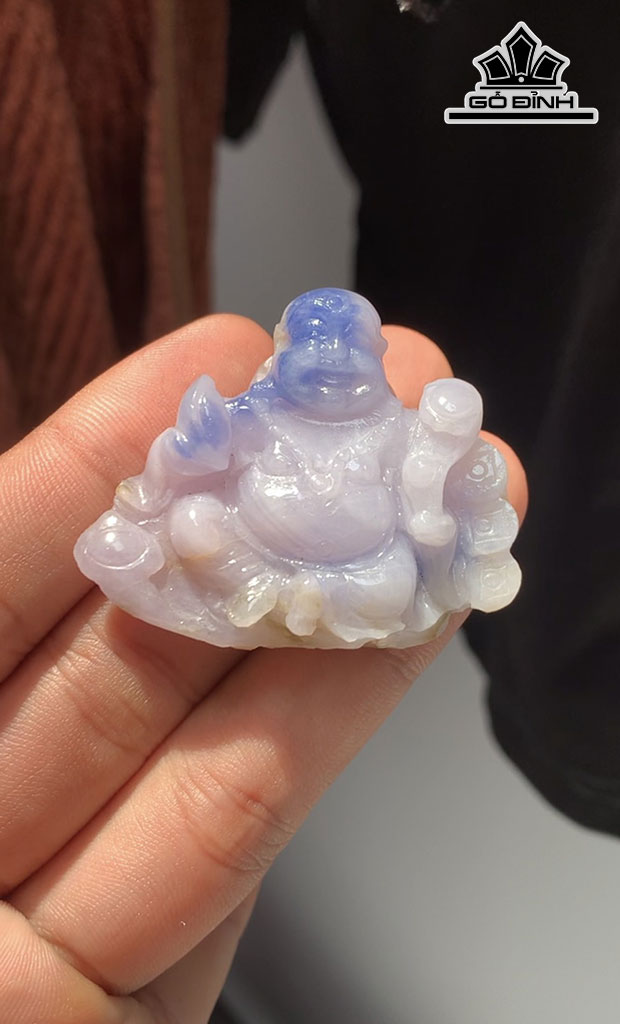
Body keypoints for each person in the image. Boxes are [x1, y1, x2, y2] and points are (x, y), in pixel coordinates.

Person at [0, 311, 526, 1022]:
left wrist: (444, 499)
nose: (330, 364)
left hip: (362, 570)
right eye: (314, 348)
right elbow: (188, 469)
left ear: (374, 357)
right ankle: (269, 593)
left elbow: (432, 493)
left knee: (394, 581)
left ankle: (292, 598)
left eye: (347, 350)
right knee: (194, 523)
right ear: (283, 352)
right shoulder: (255, 413)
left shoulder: (392, 428)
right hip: (253, 558)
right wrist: (187, 453)